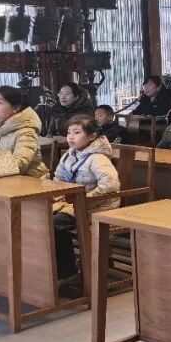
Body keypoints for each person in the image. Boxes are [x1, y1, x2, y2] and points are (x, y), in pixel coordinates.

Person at [52, 115, 120, 283]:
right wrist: (57, 196)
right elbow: (58, 180)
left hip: (96, 207)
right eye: (69, 132)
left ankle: (67, 272)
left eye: (77, 132)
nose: (71, 137)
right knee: (38, 216)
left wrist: (84, 199)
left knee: (53, 224)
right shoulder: (69, 155)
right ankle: (50, 268)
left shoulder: (98, 158)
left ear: (92, 136)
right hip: (73, 204)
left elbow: (110, 185)